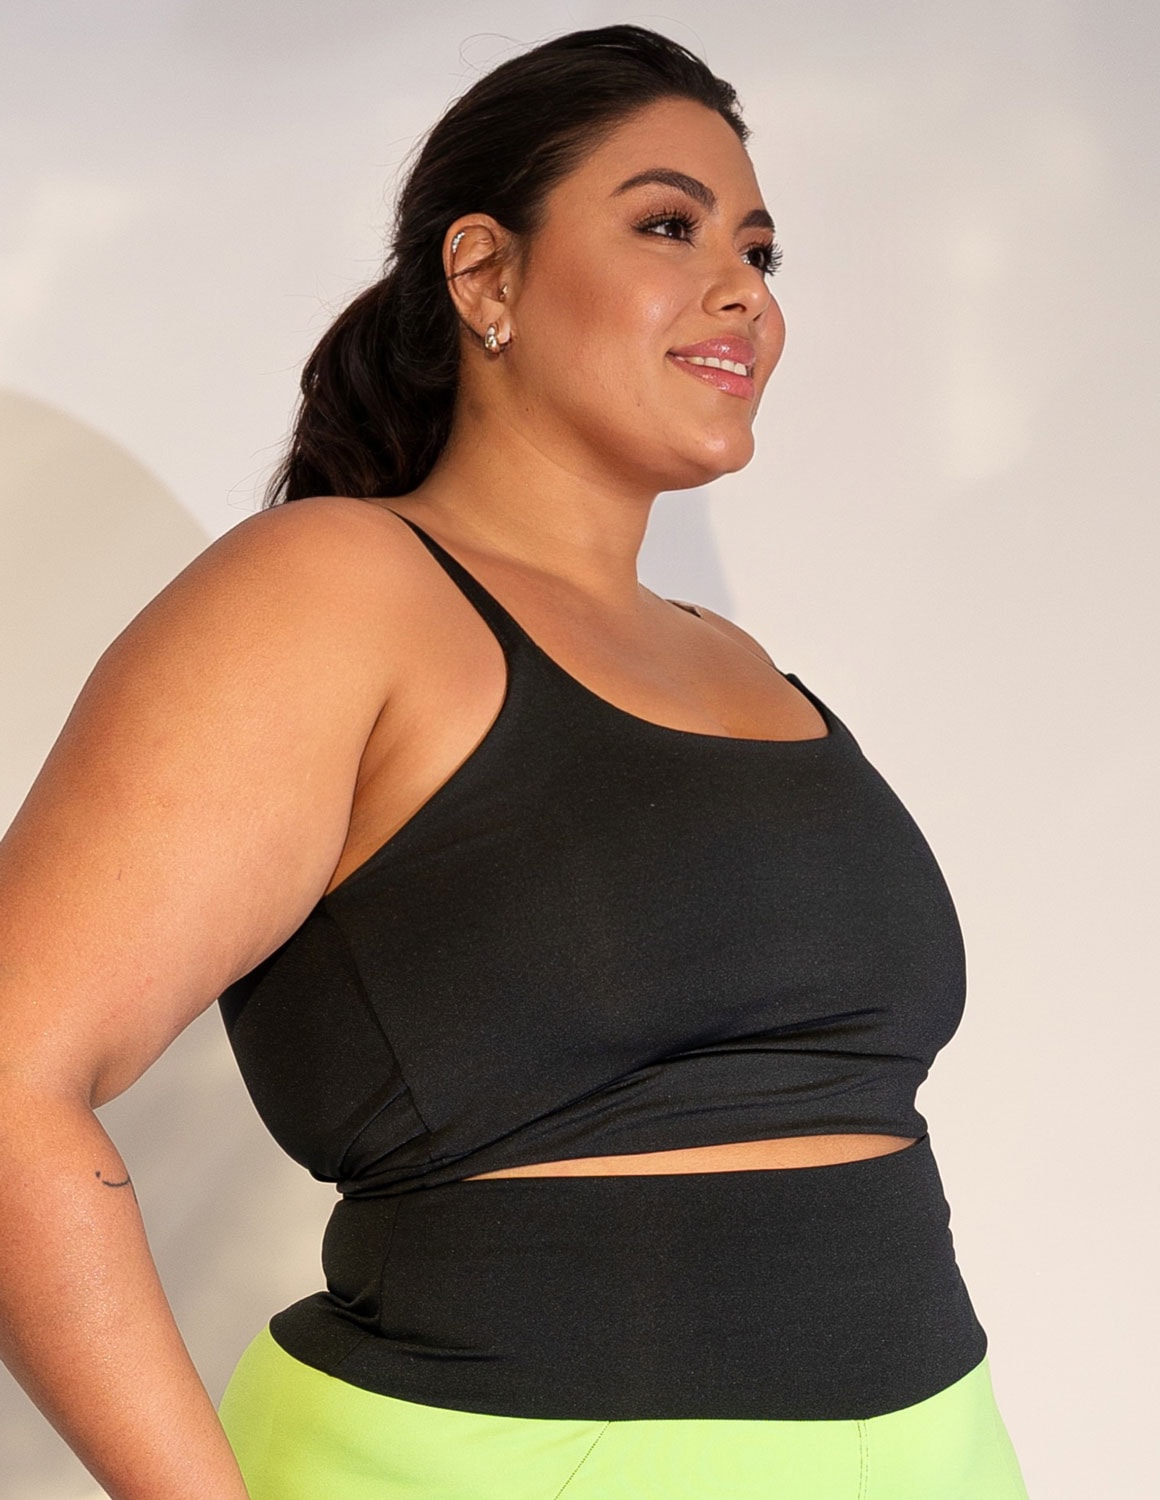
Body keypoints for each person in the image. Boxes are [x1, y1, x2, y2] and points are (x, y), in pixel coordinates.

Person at [0, 24, 1030, 1500]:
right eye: (669, 226)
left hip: (936, 1450)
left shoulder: (742, 664)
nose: (743, 288)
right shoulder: (336, 588)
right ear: (484, 275)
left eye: (761, 251)